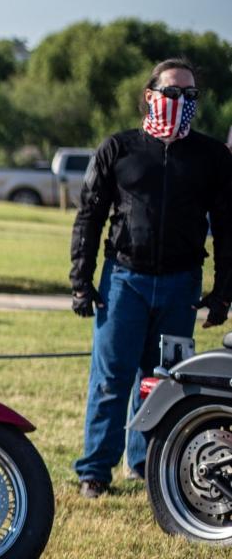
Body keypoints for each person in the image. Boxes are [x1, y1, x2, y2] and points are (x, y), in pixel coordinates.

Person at [70, 57, 232, 498]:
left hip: (182, 285)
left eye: (191, 95)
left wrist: (223, 293)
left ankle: (144, 463)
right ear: (150, 95)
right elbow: (89, 216)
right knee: (111, 378)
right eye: (173, 92)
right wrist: (81, 280)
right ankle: (94, 471)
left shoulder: (213, 156)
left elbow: (227, 225)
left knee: (164, 380)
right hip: (124, 280)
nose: (181, 102)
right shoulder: (118, 148)